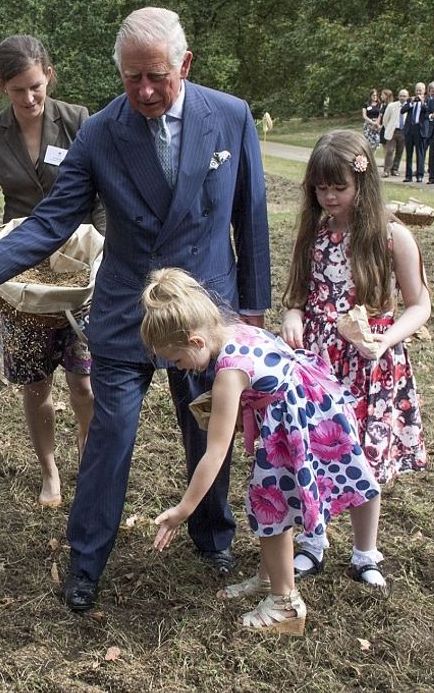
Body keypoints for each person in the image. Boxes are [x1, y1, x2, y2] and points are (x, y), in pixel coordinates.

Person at [0, 7, 271, 611]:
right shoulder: (100, 132)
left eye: (157, 77)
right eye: (131, 78)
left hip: (204, 311)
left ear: (184, 65)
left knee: (206, 424)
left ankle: (213, 537)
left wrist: (253, 311)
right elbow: (52, 221)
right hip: (123, 314)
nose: (144, 91)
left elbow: (251, 217)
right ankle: (86, 561)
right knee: (110, 437)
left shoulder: (231, 116)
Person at [143, 268, 379, 634]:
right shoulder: (236, 330)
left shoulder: (228, 374)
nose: (178, 368)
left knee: (271, 508)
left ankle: (286, 603)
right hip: (315, 411)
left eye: (176, 360)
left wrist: (183, 509)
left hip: (295, 429)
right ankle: (270, 579)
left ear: (195, 342)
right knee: (272, 504)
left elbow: (214, 453)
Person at [281, 130, 430, 587]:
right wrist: (292, 314)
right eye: (320, 188)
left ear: (362, 183)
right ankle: (313, 541)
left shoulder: (391, 237)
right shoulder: (315, 234)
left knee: (363, 458)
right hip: (320, 364)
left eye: (338, 187)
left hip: (371, 363)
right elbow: (298, 295)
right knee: (315, 451)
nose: (328, 197)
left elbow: (419, 304)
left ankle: (366, 552)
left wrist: (385, 341)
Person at [0, 35, 106, 508]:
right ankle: (50, 472)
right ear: (1, 85)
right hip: (23, 273)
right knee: (34, 380)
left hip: (80, 267)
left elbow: (102, 198)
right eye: (18, 90)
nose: (29, 99)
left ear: (50, 77)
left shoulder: (79, 121)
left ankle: (88, 461)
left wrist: (102, 252)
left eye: (37, 87)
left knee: (84, 379)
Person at [400, 82, 429, 182]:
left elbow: (427, 113)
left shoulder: (427, 100)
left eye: (420, 90)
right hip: (410, 129)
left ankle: (420, 175)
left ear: (424, 91)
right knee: (409, 153)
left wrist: (422, 102)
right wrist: (411, 103)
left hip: (420, 129)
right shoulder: (410, 100)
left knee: (420, 153)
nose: (418, 92)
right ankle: (408, 175)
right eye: (417, 90)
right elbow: (402, 110)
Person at [379, 89, 403, 177]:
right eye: (401, 96)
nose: (403, 98)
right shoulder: (392, 106)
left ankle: (395, 169)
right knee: (389, 150)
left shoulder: (409, 106)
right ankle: (386, 170)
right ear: (398, 97)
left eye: (404, 96)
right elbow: (385, 119)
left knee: (399, 151)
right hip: (392, 131)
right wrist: (388, 127)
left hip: (403, 131)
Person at [361, 88, 381, 153]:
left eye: (376, 95)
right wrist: (372, 122)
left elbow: (380, 114)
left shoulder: (379, 104)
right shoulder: (366, 104)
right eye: (373, 95)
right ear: (370, 96)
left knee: (377, 141)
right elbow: (364, 116)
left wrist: (376, 123)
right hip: (368, 125)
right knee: (369, 143)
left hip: (377, 125)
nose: (375, 97)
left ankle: (371, 156)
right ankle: (369, 157)